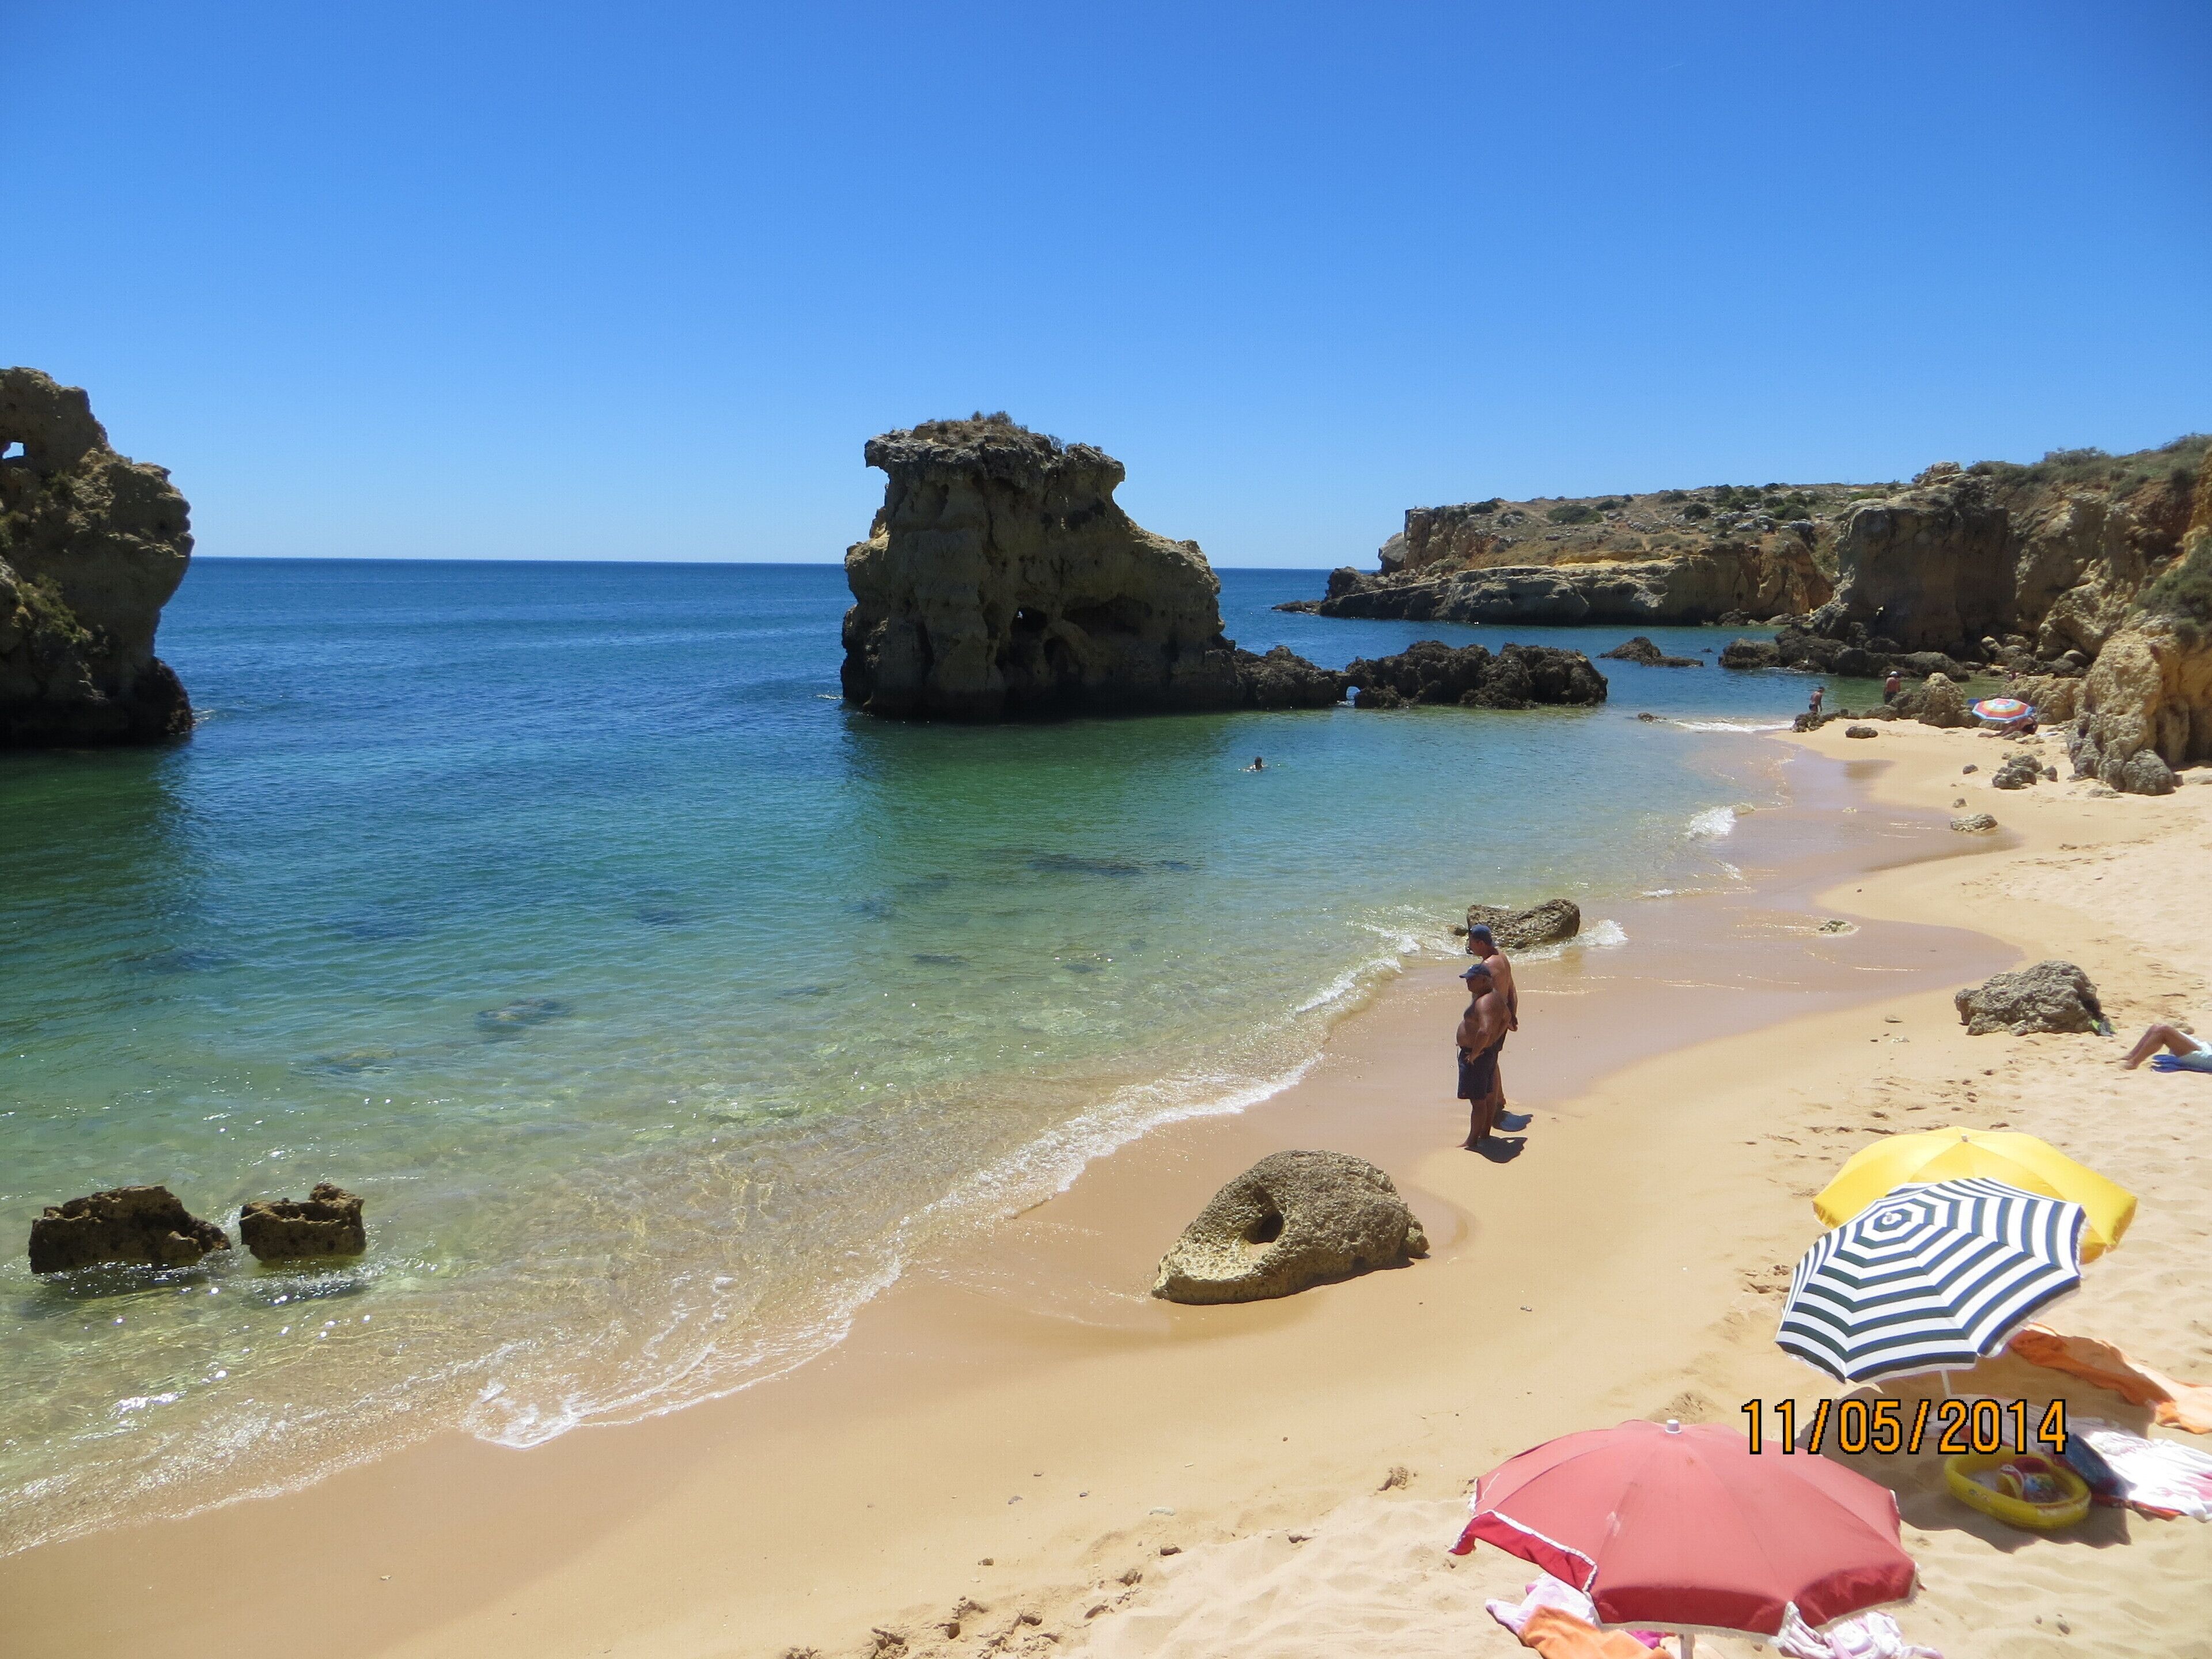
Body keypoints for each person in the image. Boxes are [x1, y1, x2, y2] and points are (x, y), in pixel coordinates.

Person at [1455, 961, 1509, 1149]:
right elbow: (1507, 1020)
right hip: (1487, 1052)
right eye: (1467, 979)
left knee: (1477, 1102)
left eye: (1472, 979)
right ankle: (1484, 1133)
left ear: (1485, 980)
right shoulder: (1496, 997)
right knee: (1487, 1095)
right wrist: (1494, 1040)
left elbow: (1484, 1030)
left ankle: (1472, 1141)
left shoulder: (1484, 1001)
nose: (1468, 982)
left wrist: (1475, 1053)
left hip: (1476, 1056)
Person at [2121, 1022, 2212, 1072]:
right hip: (2208, 1048)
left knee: (2163, 1031)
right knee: (2156, 1027)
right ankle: (2131, 1055)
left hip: (2208, 1058)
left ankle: (2133, 1063)